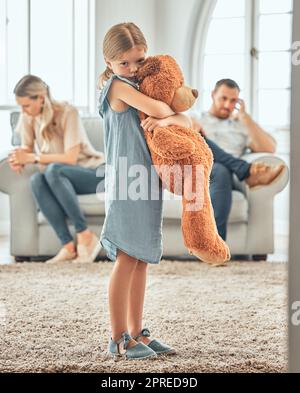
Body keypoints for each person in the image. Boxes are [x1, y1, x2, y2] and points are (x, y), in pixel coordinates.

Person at [99, 22, 210, 360]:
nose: (132, 69)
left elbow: (188, 121)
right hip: (126, 183)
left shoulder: (142, 84)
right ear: (109, 63)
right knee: (126, 257)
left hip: (148, 181)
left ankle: (137, 331)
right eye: (124, 63)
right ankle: (118, 337)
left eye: (139, 61)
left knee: (142, 258)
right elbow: (165, 110)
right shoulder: (116, 88)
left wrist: (168, 120)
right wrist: (166, 116)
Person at [9, 75, 105, 263]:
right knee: (36, 180)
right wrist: (19, 158)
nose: (23, 111)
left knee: (53, 170)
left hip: (95, 173)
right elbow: (27, 149)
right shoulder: (29, 117)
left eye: (26, 105)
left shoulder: (68, 112)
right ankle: (68, 246)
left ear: (41, 97)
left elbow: (70, 158)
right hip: (62, 179)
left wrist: (33, 157)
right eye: (20, 106)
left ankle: (86, 236)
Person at [190, 79, 285, 240]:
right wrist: (192, 126)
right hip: (199, 168)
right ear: (213, 95)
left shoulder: (240, 125)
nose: (228, 105)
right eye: (223, 98)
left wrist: (245, 118)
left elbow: (270, 148)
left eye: (233, 101)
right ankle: (247, 171)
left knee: (221, 170)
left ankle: (214, 246)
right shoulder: (196, 116)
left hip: (227, 175)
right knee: (203, 144)